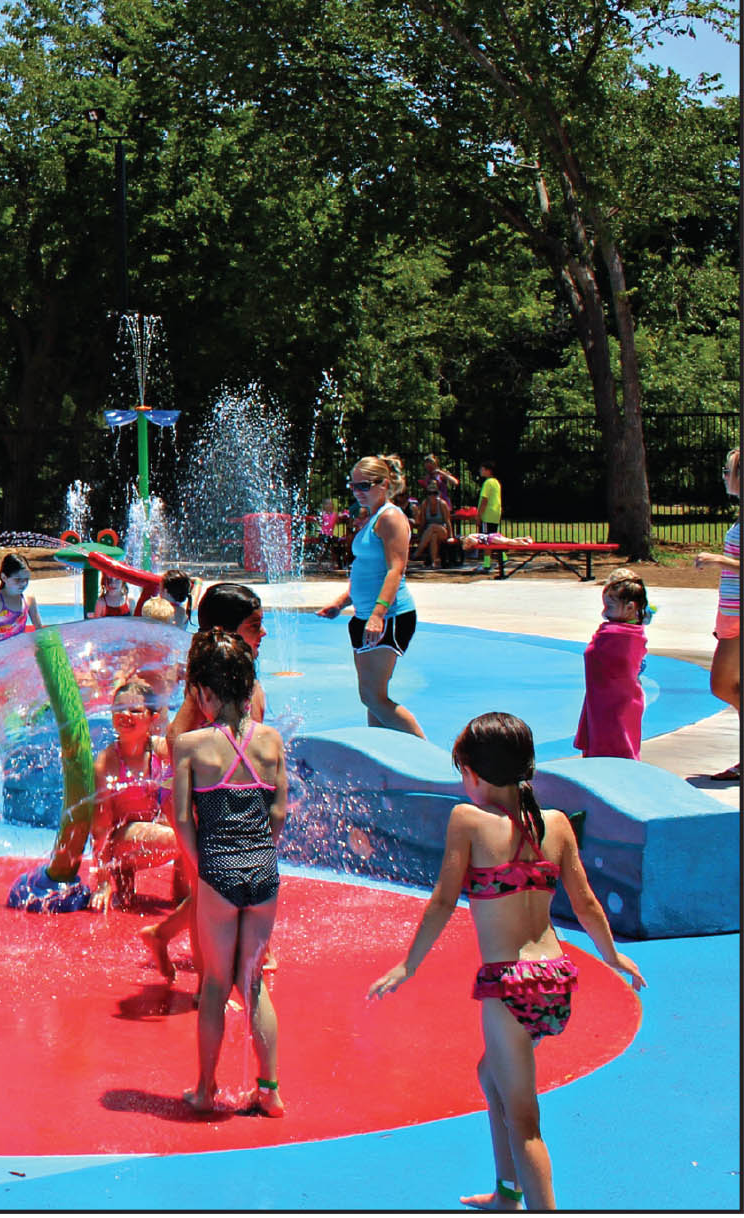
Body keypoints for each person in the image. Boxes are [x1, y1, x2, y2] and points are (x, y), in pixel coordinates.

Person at [367, 712, 645, 1211]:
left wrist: (408, 965)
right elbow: (585, 903)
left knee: (526, 1121)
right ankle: (508, 1192)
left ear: (473, 774)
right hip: (556, 979)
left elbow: (442, 901)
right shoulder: (554, 824)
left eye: (462, 774)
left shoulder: (467, 821)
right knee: (490, 1075)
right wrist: (613, 956)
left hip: (509, 984)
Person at [169, 630, 287, 1117]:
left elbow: (180, 819)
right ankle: (270, 1090)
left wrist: (204, 869)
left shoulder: (191, 746)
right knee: (253, 980)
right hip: (263, 868)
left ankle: (206, 1088)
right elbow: (278, 811)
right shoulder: (270, 739)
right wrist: (260, 851)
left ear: (204, 693)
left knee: (217, 985)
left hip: (217, 866)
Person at [146, 582, 271, 977]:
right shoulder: (204, 686)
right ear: (228, 633)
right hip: (200, 798)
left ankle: (163, 936)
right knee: (209, 889)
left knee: (220, 884)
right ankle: (206, 984)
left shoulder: (245, 677)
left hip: (228, 798)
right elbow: (174, 739)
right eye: (254, 626)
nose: (263, 633)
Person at [318, 456, 425, 737]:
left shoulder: (390, 517)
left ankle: (429, 759)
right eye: (353, 486)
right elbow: (368, 573)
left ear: (384, 484)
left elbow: (395, 570)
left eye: (364, 485)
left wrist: (378, 614)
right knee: (373, 698)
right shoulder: (372, 518)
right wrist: (342, 602)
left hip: (388, 617)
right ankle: (385, 755)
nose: (357, 491)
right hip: (366, 616)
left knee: (373, 697)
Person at [90, 678, 174, 910]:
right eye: (118, 709)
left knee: (192, 822)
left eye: (135, 710)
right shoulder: (107, 762)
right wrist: (103, 883)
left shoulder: (161, 750)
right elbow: (100, 827)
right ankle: (119, 874)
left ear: (152, 718)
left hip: (146, 830)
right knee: (179, 838)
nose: (125, 714)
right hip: (119, 844)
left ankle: (186, 890)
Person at [692, 447, 740, 780]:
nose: (724, 476)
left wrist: (719, 560)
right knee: (728, 686)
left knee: (723, 685)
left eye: (729, 470)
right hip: (730, 611)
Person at [574, 572, 651, 761]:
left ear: (630, 607)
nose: (604, 612)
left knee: (616, 741)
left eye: (609, 607)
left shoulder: (618, 635)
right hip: (609, 698)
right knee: (616, 739)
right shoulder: (633, 631)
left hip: (617, 700)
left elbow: (595, 654)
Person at [0, 554, 44, 650]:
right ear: (4, 577)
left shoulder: (28, 600)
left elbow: (39, 629)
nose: (23, 583)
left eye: (26, 579)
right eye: (18, 580)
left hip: (19, 653)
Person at [416, 485, 462, 569]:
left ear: (438, 494)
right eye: (430, 493)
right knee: (433, 536)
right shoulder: (425, 504)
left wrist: (451, 536)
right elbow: (422, 522)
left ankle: (418, 551)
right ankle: (434, 562)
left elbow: (448, 521)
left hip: (443, 530)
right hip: (429, 532)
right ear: (427, 495)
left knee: (433, 526)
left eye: (435, 493)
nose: (432, 496)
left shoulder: (442, 504)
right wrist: (420, 534)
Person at [475, 461, 504, 534]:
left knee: (485, 537)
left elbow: (484, 500)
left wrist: (479, 516)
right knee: (492, 537)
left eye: (482, 469)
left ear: (488, 471)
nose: (480, 471)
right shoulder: (496, 482)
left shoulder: (488, 483)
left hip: (486, 516)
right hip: (495, 516)